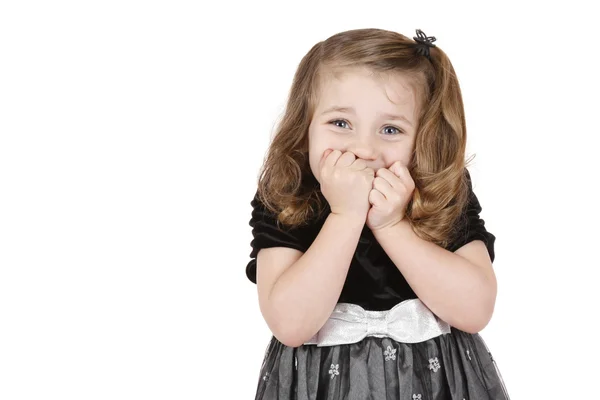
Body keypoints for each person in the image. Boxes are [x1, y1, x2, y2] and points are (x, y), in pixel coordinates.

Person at [245, 28, 510, 400]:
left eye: (391, 129)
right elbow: (290, 324)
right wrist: (345, 216)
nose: (364, 148)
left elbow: (475, 309)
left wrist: (392, 225)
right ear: (304, 127)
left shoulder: (440, 187)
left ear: (422, 137)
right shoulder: (287, 191)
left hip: (434, 385)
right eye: (340, 123)